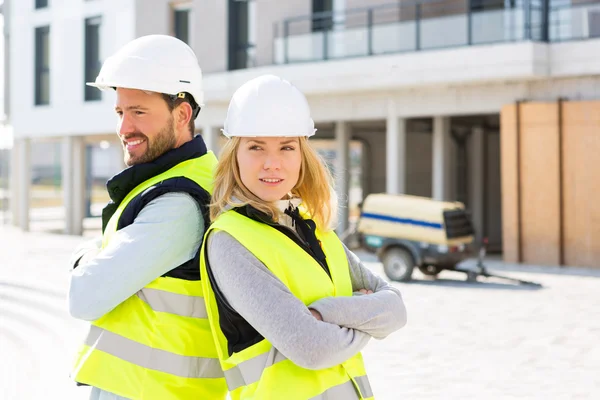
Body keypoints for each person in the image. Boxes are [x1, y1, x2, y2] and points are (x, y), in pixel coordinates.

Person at [199, 74, 408, 400]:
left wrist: (323, 314)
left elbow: (395, 310)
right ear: (234, 154)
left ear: (301, 155)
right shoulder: (229, 241)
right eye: (255, 146)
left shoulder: (313, 227)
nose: (273, 163)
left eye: (286, 147)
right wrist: (364, 315)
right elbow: (312, 349)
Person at [67, 35, 226, 400]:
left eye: (139, 112)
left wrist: (84, 257)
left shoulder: (179, 202)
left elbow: (84, 296)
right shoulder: (169, 181)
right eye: (121, 113)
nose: (124, 129)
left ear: (182, 114)